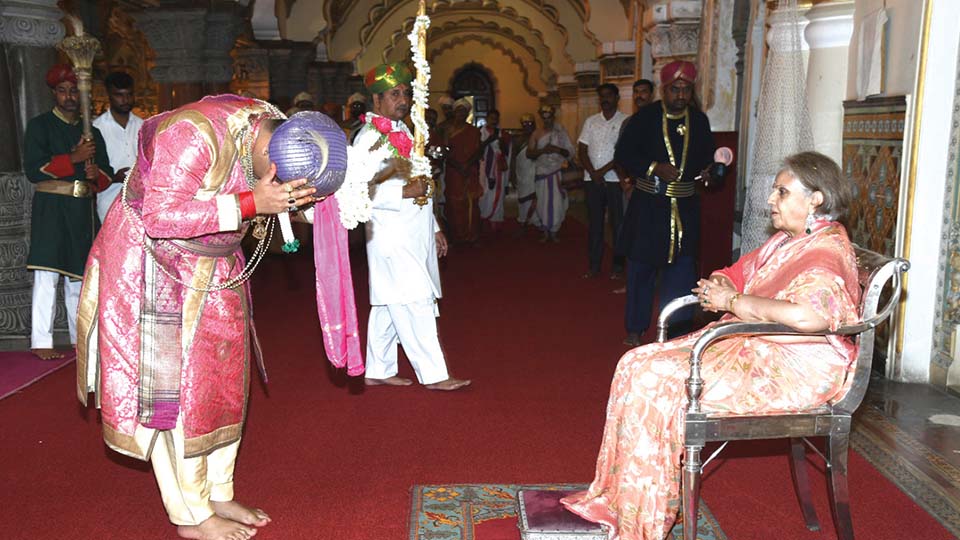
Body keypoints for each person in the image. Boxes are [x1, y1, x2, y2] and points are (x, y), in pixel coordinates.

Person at [562, 151, 860, 540]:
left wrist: (732, 301)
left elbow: (810, 317)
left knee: (655, 380)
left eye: (782, 192)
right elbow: (737, 271)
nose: (771, 200)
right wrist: (722, 283)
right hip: (761, 346)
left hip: (796, 368)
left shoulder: (825, 250)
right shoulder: (788, 241)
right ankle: (626, 503)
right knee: (634, 363)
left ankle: (644, 522)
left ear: (815, 199)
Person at [75, 95, 321, 540]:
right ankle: (191, 515)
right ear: (270, 153)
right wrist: (250, 203)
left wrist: (282, 202)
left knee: (222, 376)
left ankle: (218, 492)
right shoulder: (192, 133)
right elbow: (160, 218)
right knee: (179, 388)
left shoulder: (273, 126)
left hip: (215, 257)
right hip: (156, 263)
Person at [357, 63, 471, 391]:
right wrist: (405, 191)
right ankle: (435, 375)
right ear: (376, 100)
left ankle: (378, 368)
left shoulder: (405, 133)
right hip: (390, 235)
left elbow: (419, 184)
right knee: (415, 298)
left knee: (389, 302)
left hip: (414, 230)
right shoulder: (368, 139)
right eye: (394, 94)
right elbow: (359, 191)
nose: (403, 100)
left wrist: (434, 226)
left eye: (406, 93)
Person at [616, 61, 716, 346]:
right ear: (664, 89)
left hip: (684, 210)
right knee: (641, 270)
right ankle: (635, 328)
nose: (681, 95)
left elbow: (707, 157)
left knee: (682, 273)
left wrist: (709, 171)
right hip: (649, 207)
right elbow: (623, 153)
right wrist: (653, 167)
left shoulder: (699, 121)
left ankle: (677, 333)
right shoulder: (645, 118)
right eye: (675, 89)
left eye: (686, 90)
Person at [23, 64, 113, 360]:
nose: (69, 96)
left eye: (74, 91)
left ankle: (80, 340)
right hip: (51, 208)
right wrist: (74, 157)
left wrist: (95, 173)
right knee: (46, 275)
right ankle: (41, 342)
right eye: (62, 91)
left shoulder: (91, 132)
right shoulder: (40, 126)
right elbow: (34, 169)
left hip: (81, 210)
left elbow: (106, 174)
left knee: (79, 278)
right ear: (54, 93)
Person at [578, 84, 629, 278]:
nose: (605, 99)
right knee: (595, 224)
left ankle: (617, 267)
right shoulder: (591, 121)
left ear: (617, 98)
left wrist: (602, 171)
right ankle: (594, 266)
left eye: (609, 96)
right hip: (592, 180)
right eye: (602, 96)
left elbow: (623, 153)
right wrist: (593, 172)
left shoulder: (625, 121)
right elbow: (582, 150)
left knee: (617, 225)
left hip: (615, 180)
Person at [92, 71, 144, 223]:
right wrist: (114, 177)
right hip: (109, 199)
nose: (125, 100)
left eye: (129, 94)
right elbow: (91, 168)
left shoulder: (142, 125)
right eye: (119, 95)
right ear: (109, 95)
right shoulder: (97, 127)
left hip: (140, 200)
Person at [527, 104, 574, 243]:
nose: (547, 120)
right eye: (544, 118)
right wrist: (543, 150)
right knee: (542, 202)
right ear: (541, 118)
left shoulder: (561, 132)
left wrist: (556, 149)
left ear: (553, 117)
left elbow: (570, 152)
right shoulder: (536, 133)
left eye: (549, 117)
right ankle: (545, 231)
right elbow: (529, 153)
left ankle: (554, 231)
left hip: (556, 172)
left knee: (557, 202)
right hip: (542, 172)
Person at [443, 98, 482, 244]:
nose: (461, 114)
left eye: (464, 111)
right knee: (454, 204)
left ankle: (472, 235)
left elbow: (478, 151)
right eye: (458, 111)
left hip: (470, 171)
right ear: (454, 113)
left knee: (472, 203)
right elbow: (445, 151)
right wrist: (458, 166)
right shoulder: (447, 130)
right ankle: (456, 236)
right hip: (453, 172)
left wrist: (467, 165)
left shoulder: (474, 131)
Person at [478, 109, 511, 233]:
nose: (493, 120)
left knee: (498, 194)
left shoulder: (502, 133)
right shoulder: (480, 132)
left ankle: (495, 222)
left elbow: (506, 152)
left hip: (498, 169)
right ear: (486, 118)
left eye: (495, 118)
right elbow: (477, 150)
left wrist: (502, 142)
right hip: (483, 169)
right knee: (484, 194)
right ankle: (483, 220)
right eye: (491, 118)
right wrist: (489, 140)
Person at [510, 113, 540, 233]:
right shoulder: (517, 139)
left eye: (530, 123)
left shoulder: (539, 136)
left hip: (536, 171)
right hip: (522, 172)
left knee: (537, 195)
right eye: (525, 124)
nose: (527, 126)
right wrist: (512, 175)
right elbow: (513, 158)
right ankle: (523, 219)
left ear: (534, 124)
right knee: (523, 196)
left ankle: (537, 220)